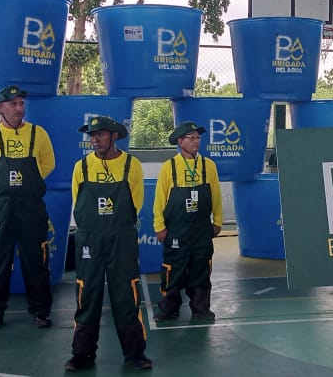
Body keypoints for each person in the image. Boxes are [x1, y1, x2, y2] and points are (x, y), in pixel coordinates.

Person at [65, 116, 153, 371]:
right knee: (87, 294)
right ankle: (82, 354)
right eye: (92, 135)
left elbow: (136, 203)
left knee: (126, 295)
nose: (94, 140)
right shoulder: (80, 167)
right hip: (89, 240)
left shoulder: (131, 165)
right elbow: (77, 201)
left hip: (121, 240)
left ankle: (135, 353)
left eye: (100, 135)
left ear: (114, 136)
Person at [0, 85, 56, 331]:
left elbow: (47, 164)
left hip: (31, 207)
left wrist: (26, 184)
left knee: (36, 261)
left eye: (21, 104)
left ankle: (41, 312)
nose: (19, 108)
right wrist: (4, 186)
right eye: (13, 104)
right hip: (1, 207)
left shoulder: (38, 134)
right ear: (0, 107)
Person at [154, 121, 224, 321]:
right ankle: (169, 308)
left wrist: (217, 221)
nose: (196, 142)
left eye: (198, 138)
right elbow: (160, 199)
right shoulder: (169, 167)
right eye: (191, 138)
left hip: (201, 228)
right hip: (176, 229)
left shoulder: (208, 165)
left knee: (201, 270)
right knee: (173, 271)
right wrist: (159, 226)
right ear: (180, 141)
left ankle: (201, 308)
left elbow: (216, 195)